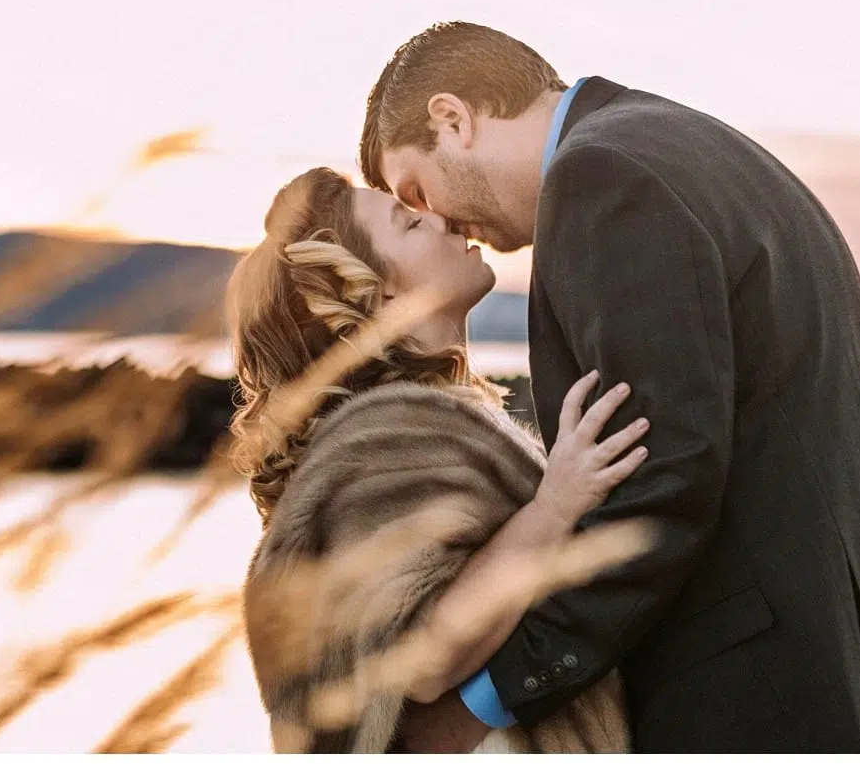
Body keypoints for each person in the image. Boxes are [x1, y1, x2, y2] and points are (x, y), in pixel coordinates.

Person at [356, 21, 860, 752]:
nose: (439, 222)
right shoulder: (695, 146)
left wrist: (488, 700)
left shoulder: (600, 181)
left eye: (416, 190)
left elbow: (660, 486)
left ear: (452, 118)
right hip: (850, 673)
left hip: (757, 703)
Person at [227, 166, 649, 752]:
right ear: (380, 295)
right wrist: (556, 506)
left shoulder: (410, 430)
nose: (439, 218)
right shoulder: (385, 442)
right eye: (407, 223)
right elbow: (424, 659)